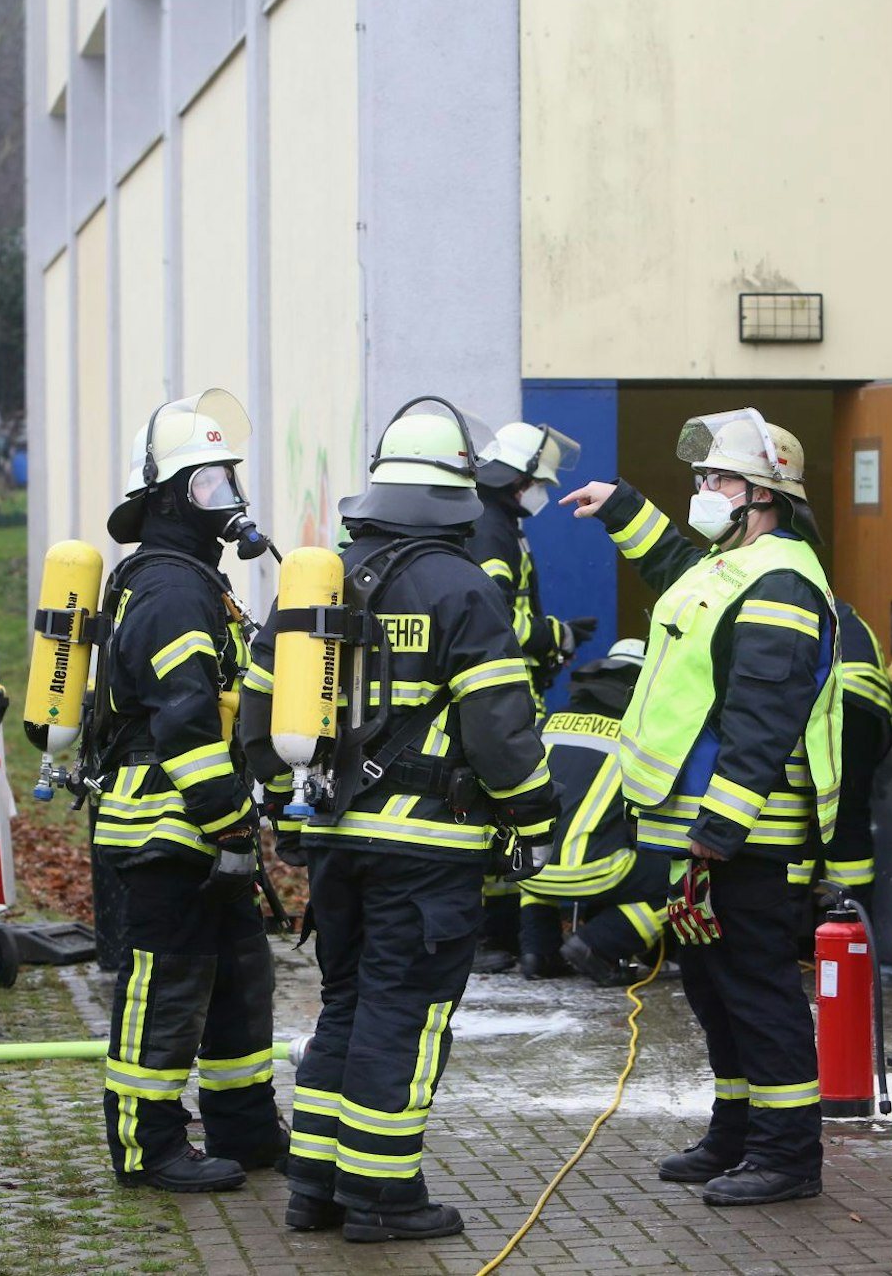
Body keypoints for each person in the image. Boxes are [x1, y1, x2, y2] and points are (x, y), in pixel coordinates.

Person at [239, 399, 559, 1243]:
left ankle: (314, 1184)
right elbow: (500, 727)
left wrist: (288, 808)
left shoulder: (322, 578)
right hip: (429, 848)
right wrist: (534, 817)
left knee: (344, 1004)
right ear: (458, 491)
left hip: (336, 839)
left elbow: (257, 725)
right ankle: (383, 1195)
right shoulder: (463, 587)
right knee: (404, 1012)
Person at [559, 407, 844, 1208]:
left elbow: (762, 721)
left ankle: (788, 1153)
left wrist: (718, 830)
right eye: (702, 479)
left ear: (763, 496)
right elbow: (675, 564)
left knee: (755, 988)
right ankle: (736, 1132)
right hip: (695, 830)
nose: (703, 492)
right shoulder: (730, 565)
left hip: (741, 835)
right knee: (713, 987)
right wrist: (621, 507)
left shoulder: (784, 580)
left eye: (717, 480)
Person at [93, 390, 282, 1194]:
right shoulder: (172, 588)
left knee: (239, 982)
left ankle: (245, 1126)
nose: (227, 503)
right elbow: (183, 722)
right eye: (208, 487)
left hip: (201, 829)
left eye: (229, 483)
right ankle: (149, 1145)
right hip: (163, 832)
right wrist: (233, 823)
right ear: (169, 497)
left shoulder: (195, 580)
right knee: (164, 993)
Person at [467, 422, 590, 976]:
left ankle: (504, 938)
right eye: (536, 483)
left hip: (515, 687)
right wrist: (556, 635)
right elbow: (497, 619)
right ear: (518, 482)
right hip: (504, 693)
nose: (540, 493)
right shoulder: (491, 530)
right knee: (505, 807)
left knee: (506, 810)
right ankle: (492, 938)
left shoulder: (498, 524)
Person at [513, 640, 672, 986]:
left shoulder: (551, 723)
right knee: (681, 881)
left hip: (530, 869)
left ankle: (538, 954)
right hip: (596, 872)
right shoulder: (640, 735)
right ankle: (596, 945)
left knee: (541, 863)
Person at [791, 600, 889, 904]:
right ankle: (852, 921)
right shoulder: (843, 612)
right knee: (847, 815)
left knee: (794, 811)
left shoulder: (778, 599)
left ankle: (791, 917)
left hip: (827, 702)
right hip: (864, 710)